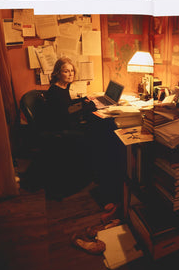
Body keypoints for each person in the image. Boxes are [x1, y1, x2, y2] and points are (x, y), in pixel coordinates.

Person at [42, 57, 124, 206]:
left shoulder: (62, 87)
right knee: (100, 132)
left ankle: (99, 171)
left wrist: (84, 100)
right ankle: (99, 172)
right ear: (58, 73)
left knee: (99, 128)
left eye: (72, 71)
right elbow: (66, 112)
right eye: (66, 71)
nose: (70, 74)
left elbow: (68, 105)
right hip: (63, 128)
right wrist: (90, 106)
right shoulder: (55, 91)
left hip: (66, 123)